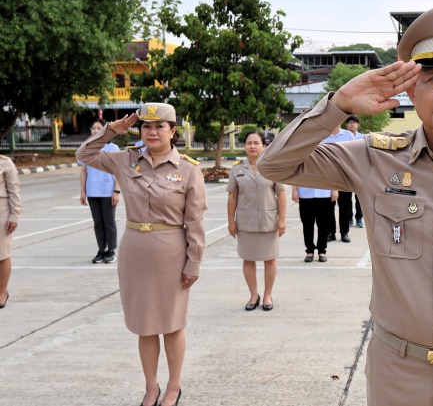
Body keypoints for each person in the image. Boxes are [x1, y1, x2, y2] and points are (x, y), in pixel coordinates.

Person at [258, 4, 433, 406]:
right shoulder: (374, 159)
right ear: (411, 91)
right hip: (398, 373)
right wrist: (338, 104)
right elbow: (274, 164)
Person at [76, 103, 207, 406]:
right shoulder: (126, 159)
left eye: (160, 126)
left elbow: (196, 221)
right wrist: (112, 130)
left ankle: (174, 387)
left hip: (171, 253)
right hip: (135, 250)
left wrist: (194, 261)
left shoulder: (187, 169)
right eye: (146, 126)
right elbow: (82, 155)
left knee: (172, 325)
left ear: (173, 131)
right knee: (144, 324)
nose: (152, 132)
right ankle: (151, 387)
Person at [227, 131, 287, 311]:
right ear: (244, 146)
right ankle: (254, 295)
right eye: (248, 143)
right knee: (248, 259)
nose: (252, 146)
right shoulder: (237, 169)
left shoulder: (272, 167)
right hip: (246, 223)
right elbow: (232, 196)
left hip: (269, 221)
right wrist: (231, 221)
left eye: (256, 143)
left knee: (270, 259)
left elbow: (281, 194)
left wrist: (282, 219)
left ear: (264, 146)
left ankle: (268, 295)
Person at [79, 119, 121, 264]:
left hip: (108, 191)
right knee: (98, 223)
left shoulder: (113, 148)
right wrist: (83, 192)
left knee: (109, 222)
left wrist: (116, 191)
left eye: (99, 128)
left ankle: (111, 250)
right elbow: (84, 171)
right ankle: (101, 250)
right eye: (93, 128)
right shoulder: (86, 148)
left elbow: (118, 171)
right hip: (92, 192)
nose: (95, 131)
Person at [324, 126, 355, 242]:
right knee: (328, 207)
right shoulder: (323, 135)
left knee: (345, 207)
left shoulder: (348, 135)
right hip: (328, 177)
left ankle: (344, 232)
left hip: (344, 176)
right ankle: (330, 232)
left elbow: (353, 155)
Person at [292, 185, 335, 262]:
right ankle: (310, 250)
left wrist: (335, 189)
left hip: (324, 193)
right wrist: (294, 190)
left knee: (323, 225)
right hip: (305, 194)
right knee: (307, 225)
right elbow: (296, 173)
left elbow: (333, 173)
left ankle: (322, 251)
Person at [0, 154, 21, 310]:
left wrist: (14, 215)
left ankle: (2, 291)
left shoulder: (5, 163)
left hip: (2, 213)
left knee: (2, 254)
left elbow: (14, 191)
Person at [345, 115, 365, 228]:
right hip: (347, 171)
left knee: (360, 197)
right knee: (346, 198)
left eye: (354, 122)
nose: (352, 124)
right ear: (347, 125)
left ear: (358, 125)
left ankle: (359, 218)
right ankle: (348, 218)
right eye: (350, 122)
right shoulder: (344, 137)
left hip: (359, 171)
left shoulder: (363, 138)